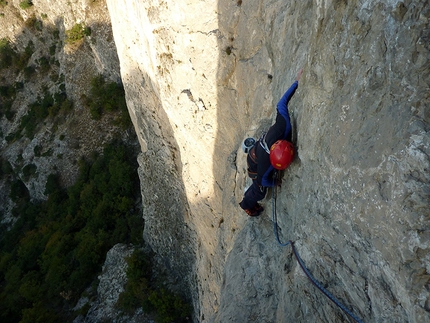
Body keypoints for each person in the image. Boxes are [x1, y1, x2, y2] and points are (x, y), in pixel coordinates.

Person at [239, 69, 303, 216]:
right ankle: (247, 205)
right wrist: (275, 183)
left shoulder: (283, 127)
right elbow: (264, 181)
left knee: (257, 183)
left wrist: (296, 82)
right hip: (256, 159)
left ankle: (247, 200)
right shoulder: (266, 166)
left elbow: (281, 104)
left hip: (256, 153)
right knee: (259, 191)